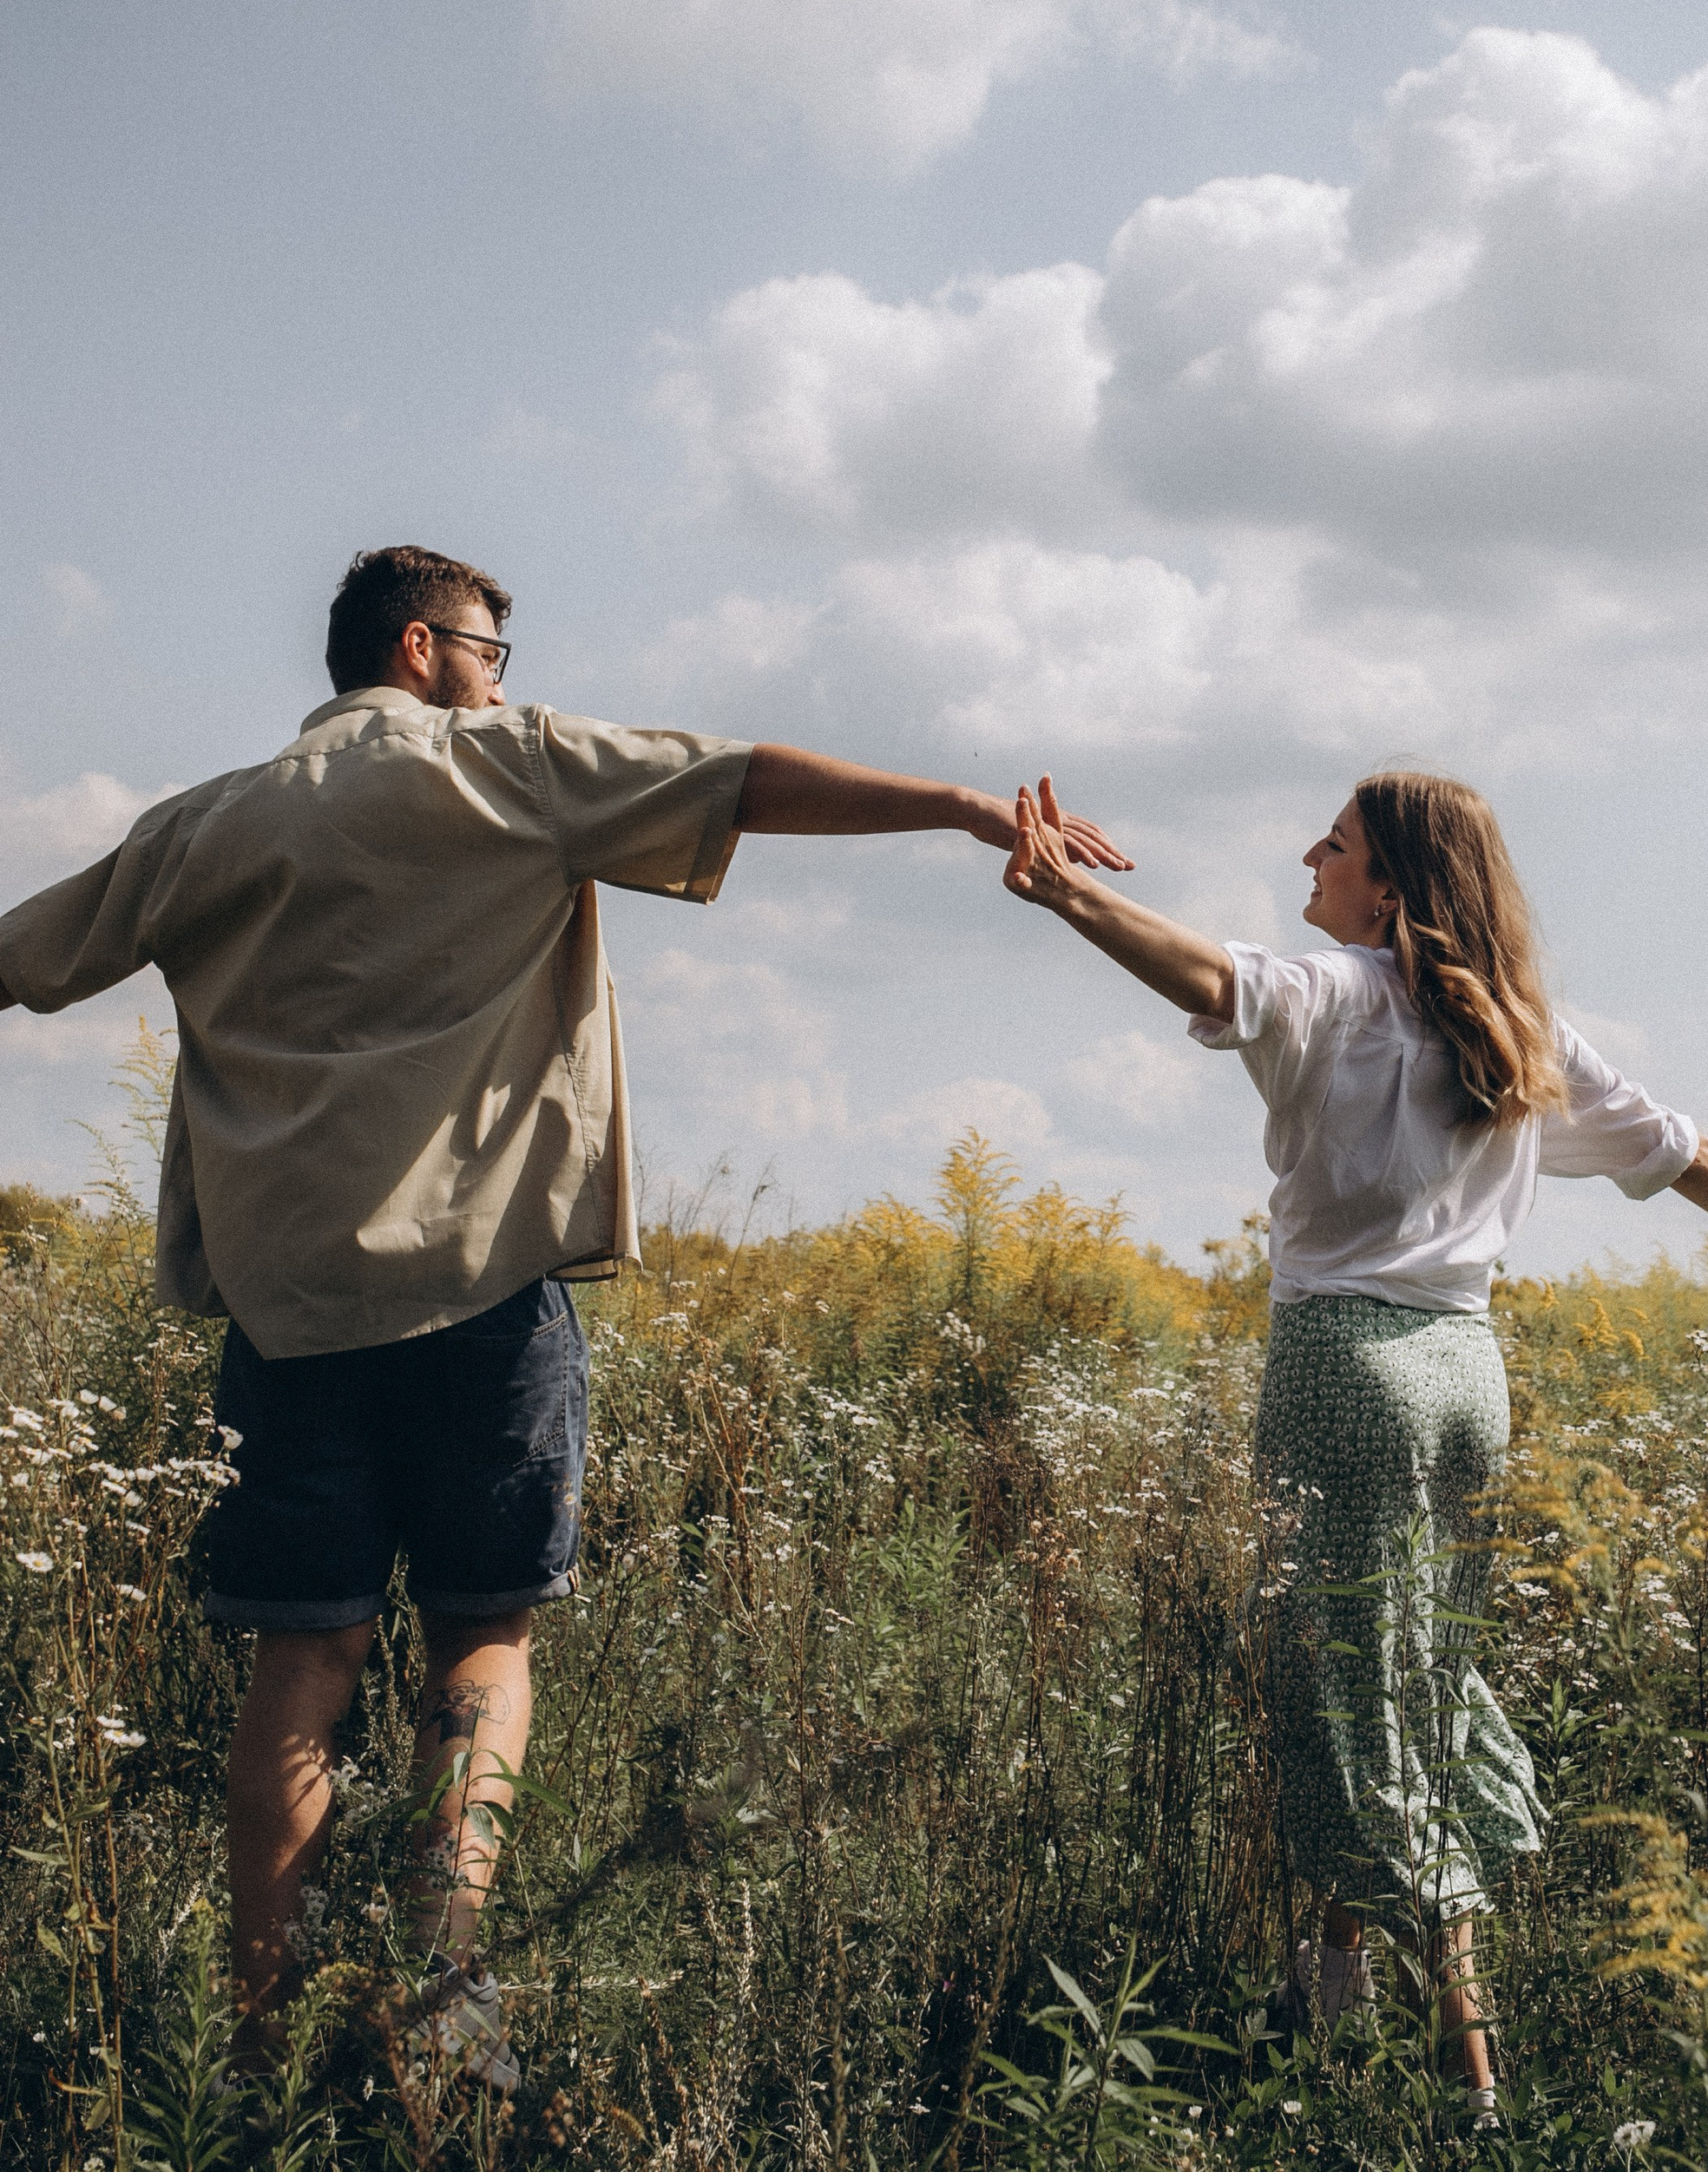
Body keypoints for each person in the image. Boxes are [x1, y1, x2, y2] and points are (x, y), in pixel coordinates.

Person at [0, 543, 1131, 2068]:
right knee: (484, 1645)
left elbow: (24, 962)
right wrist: (961, 806)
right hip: (482, 1294)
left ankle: (263, 2043)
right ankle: (444, 1993)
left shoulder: (201, 825)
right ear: (420, 647)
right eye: (487, 650)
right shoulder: (505, 770)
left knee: (301, 1664)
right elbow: (741, 778)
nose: (497, 677)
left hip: (286, 1317)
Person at [999, 766, 1708, 2118]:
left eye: (1331, 846)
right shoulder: (1518, 1034)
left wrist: (1067, 898)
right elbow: (1689, 1152)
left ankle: (1473, 2078)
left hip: (1348, 1375)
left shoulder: (1339, 995)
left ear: (1389, 883)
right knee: (1408, 1675)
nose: (1308, 857)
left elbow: (1209, 975)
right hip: (1468, 1384)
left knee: (1354, 1703)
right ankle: (1323, 2009)